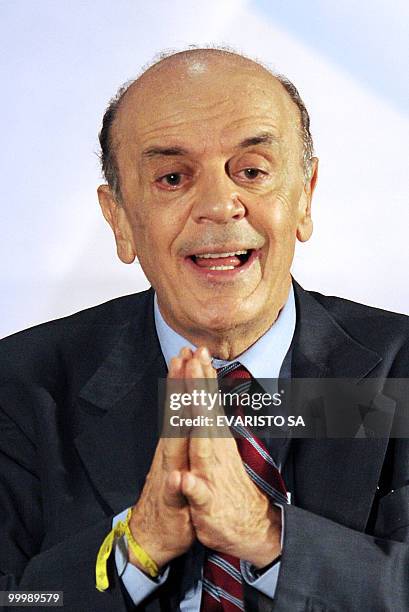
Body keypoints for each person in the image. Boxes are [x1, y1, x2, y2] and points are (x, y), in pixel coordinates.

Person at [1, 47, 408, 612]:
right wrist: (134, 549)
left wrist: (267, 536)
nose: (219, 206)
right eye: (172, 177)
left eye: (252, 172)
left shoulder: (400, 372)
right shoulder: (20, 385)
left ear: (305, 198)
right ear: (119, 218)